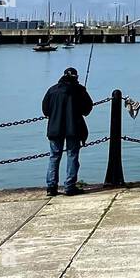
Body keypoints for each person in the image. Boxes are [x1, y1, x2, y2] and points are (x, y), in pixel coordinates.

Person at [41, 67, 93, 197]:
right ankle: (69, 187)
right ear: (76, 77)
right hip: (73, 129)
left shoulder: (52, 90)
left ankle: (51, 187)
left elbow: (45, 110)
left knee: (54, 156)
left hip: (55, 128)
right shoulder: (79, 90)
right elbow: (87, 109)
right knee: (72, 155)